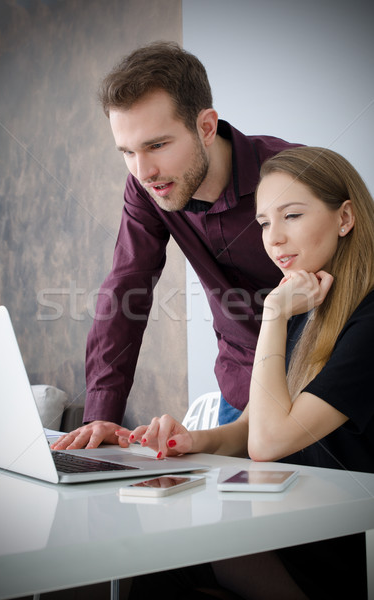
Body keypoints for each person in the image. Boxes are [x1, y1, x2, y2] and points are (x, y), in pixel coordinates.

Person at [115, 146, 374, 599]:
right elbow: (253, 424)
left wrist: (272, 312)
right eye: (264, 223)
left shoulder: (363, 320)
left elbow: (267, 444)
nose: (272, 239)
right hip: (288, 526)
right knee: (156, 567)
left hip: (342, 546)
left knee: (170, 568)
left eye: (291, 215)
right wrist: (195, 442)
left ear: (345, 218)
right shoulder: (308, 306)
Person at [52, 41, 300, 451]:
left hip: (320, 391)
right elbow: (125, 288)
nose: (143, 171)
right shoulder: (146, 187)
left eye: (156, 145)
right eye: (127, 151)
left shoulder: (296, 175)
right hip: (239, 398)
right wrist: (101, 415)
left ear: (205, 126)